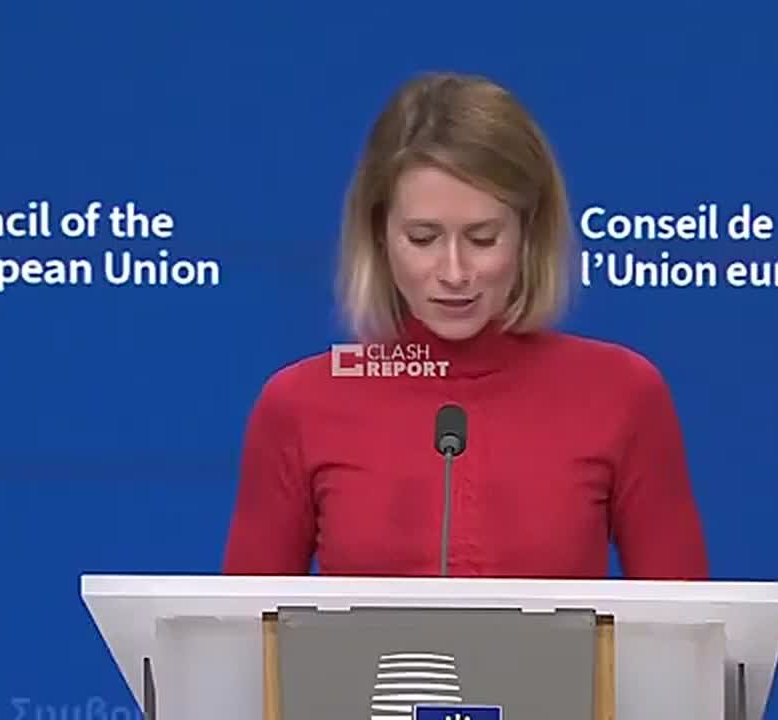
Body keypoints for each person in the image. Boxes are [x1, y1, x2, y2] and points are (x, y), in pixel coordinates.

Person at [221, 71, 708, 580]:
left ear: (528, 234)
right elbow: (248, 625)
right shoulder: (298, 404)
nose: (454, 273)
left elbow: (684, 622)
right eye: (423, 238)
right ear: (379, 235)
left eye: (482, 238)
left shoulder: (622, 392)